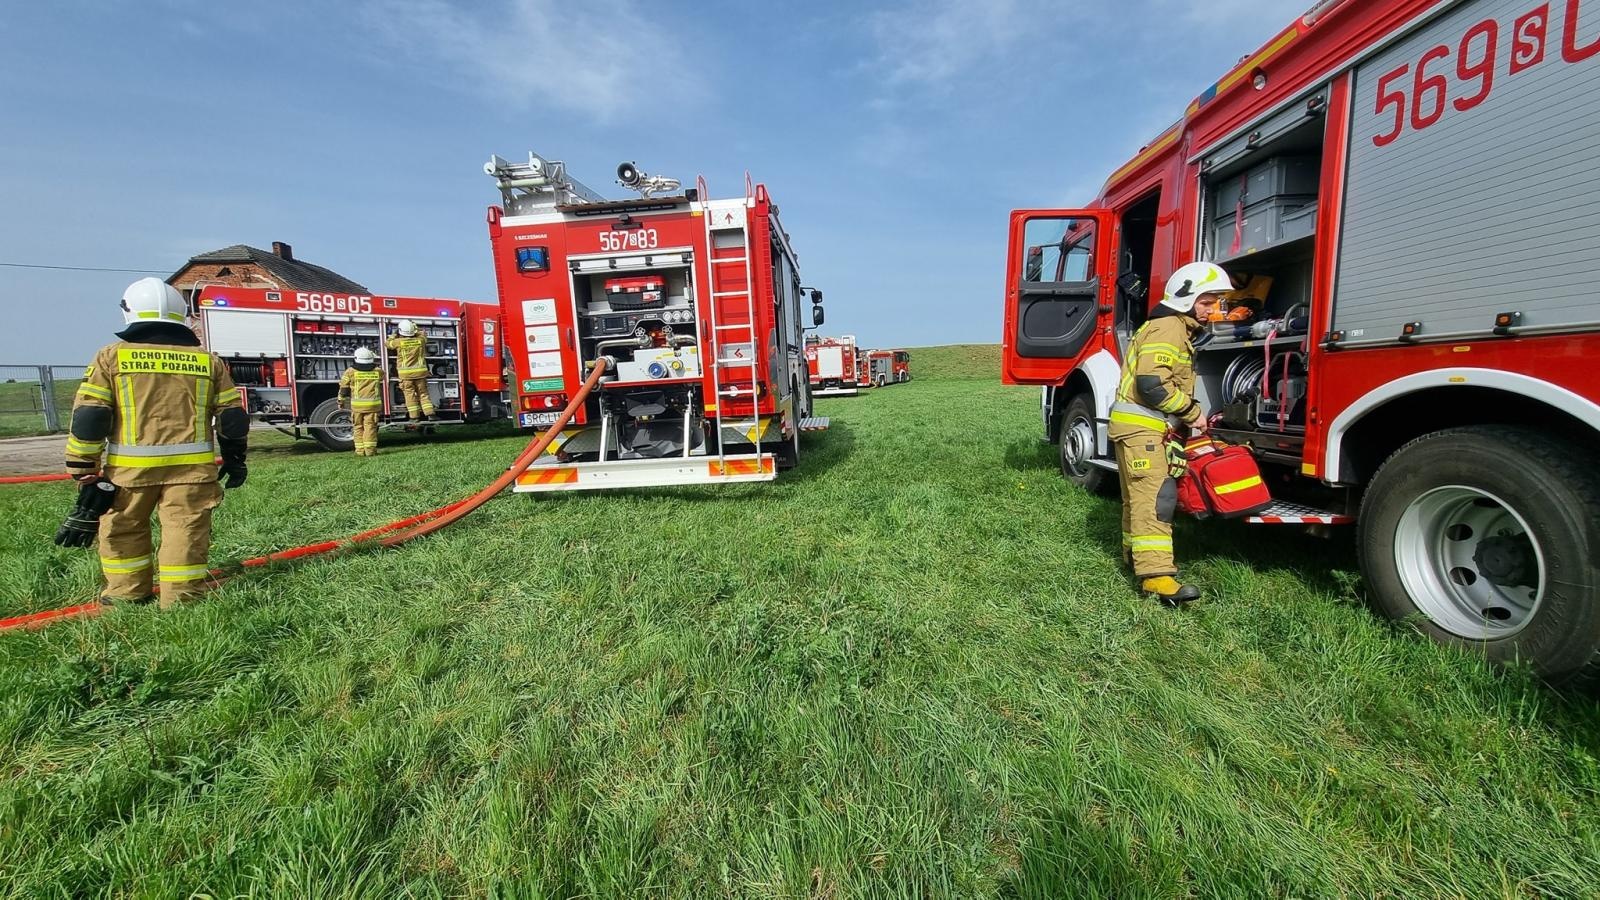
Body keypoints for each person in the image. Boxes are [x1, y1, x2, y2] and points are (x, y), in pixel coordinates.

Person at [64, 277, 249, 609]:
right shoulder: (208, 361)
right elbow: (232, 419)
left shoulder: (111, 357)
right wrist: (235, 459)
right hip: (192, 473)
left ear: (129, 311)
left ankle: (126, 595)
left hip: (129, 473)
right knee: (186, 532)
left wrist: (84, 469)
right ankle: (181, 599)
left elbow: (91, 417)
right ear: (181, 314)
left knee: (123, 528)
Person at [1108, 260, 1233, 605]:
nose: (1212, 310)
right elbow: (1152, 385)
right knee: (1157, 501)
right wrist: (1193, 413)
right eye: (1207, 302)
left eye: (1216, 302)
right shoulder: (1169, 328)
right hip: (1143, 428)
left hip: (1138, 428)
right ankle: (1157, 577)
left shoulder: (1169, 327)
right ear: (1185, 298)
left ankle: (1135, 559)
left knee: (1138, 499)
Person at [386, 319, 435, 421]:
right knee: (423, 394)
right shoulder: (420, 340)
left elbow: (388, 343)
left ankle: (414, 417)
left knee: (410, 395)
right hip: (421, 373)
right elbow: (423, 335)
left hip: (405, 375)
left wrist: (394, 334)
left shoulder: (398, 342)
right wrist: (415, 328)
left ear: (401, 331)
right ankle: (430, 414)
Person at [338, 347, 383, 456]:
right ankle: (370, 451)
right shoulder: (378, 371)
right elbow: (382, 377)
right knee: (370, 427)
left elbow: (344, 388)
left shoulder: (350, 371)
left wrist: (341, 401)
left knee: (358, 427)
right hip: (373, 405)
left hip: (357, 406)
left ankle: (359, 451)